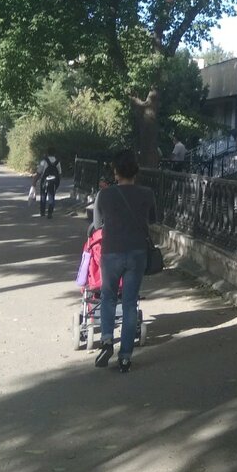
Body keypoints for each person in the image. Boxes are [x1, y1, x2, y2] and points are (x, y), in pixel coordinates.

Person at [91, 149, 156, 373]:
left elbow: (97, 225)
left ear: (116, 172)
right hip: (137, 253)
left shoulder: (104, 195)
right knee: (130, 302)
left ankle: (107, 339)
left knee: (108, 296)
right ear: (136, 171)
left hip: (111, 252)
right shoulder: (147, 193)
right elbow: (153, 220)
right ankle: (125, 357)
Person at [34, 146, 62, 219]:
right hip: (53, 181)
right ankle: (50, 213)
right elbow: (59, 174)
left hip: (45, 181)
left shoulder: (43, 161)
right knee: (51, 197)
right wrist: (58, 183)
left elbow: (38, 173)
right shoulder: (57, 162)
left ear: (47, 153)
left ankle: (42, 212)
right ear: (54, 153)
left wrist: (34, 182)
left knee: (43, 196)